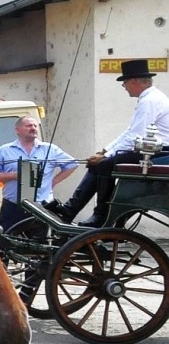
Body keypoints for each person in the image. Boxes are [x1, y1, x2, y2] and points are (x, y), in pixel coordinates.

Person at [50, 59, 169, 225]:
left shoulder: (149, 101)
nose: (124, 87)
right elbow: (129, 132)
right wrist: (104, 151)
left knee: (103, 165)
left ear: (134, 81)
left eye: (125, 83)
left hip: (159, 153)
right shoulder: (150, 98)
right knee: (99, 164)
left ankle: (100, 215)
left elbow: (134, 136)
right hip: (153, 151)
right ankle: (71, 209)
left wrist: (106, 157)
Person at [0, 115, 79, 230]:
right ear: (17, 130)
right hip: (13, 205)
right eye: (29, 126)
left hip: (42, 206)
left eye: (35, 126)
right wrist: (15, 175)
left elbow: (72, 164)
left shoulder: (50, 149)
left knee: (41, 239)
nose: (33, 128)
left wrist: (54, 181)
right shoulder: (4, 150)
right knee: (7, 236)